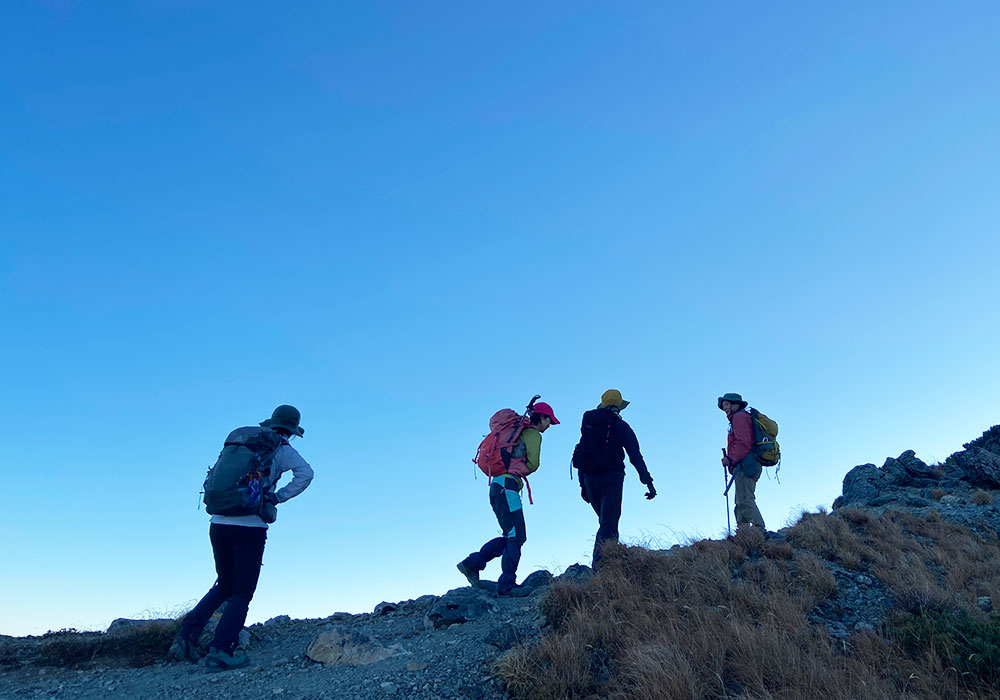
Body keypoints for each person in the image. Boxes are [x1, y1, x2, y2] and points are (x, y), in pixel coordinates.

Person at [169, 405, 314, 670]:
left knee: (224, 585)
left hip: (218, 522)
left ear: (271, 423)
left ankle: (185, 638)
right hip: (250, 526)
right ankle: (221, 650)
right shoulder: (283, 450)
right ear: (291, 431)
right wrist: (277, 497)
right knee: (242, 592)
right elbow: (306, 474)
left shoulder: (242, 442)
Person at [457, 402, 559, 597]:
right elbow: (534, 463)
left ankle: (472, 563)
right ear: (541, 417)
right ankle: (507, 584)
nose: (549, 426)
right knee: (517, 536)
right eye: (549, 421)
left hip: (496, 487)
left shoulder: (515, 432)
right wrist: (521, 470)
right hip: (509, 488)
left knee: (509, 534)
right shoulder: (532, 434)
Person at [573, 389, 656, 569]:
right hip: (612, 477)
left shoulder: (589, 423)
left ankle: (610, 558)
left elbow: (581, 451)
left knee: (605, 521)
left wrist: (583, 486)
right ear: (619, 406)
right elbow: (635, 455)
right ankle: (602, 567)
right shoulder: (621, 426)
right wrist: (648, 482)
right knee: (609, 521)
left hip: (589, 479)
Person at [719, 392, 766, 532]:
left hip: (746, 464)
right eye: (723, 406)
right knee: (740, 500)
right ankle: (743, 533)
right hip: (745, 464)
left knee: (745, 499)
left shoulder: (739, 417)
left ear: (736, 404)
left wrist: (730, 458)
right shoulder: (739, 418)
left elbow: (743, 442)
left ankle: (759, 530)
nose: (724, 408)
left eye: (727, 404)